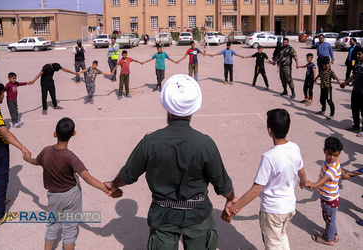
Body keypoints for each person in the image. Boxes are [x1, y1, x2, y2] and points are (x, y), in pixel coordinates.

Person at [105, 74, 237, 250]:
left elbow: (128, 175)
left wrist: (113, 184)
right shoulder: (205, 144)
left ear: (166, 107)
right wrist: (231, 198)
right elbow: (223, 185)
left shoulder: (150, 142)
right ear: (192, 109)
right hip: (198, 215)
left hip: (163, 217)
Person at [22, 117, 121, 250]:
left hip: (53, 196)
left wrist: (27, 158)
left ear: (54, 133)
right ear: (74, 133)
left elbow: (36, 161)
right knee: (69, 231)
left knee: (51, 226)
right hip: (71, 196)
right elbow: (87, 177)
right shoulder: (71, 157)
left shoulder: (46, 151)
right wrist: (108, 189)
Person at [222, 108, 307, 250]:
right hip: (289, 207)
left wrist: (232, 209)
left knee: (273, 244)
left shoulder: (269, 157)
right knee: (281, 236)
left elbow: (255, 190)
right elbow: (301, 171)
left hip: (273, 211)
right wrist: (304, 182)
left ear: (269, 130)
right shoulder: (294, 147)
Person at [0, 82, 30, 228]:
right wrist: (22, 147)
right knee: (0, 180)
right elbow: (5, 133)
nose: (4, 95)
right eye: (2, 94)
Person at [306, 137, 349, 246]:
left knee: (328, 219)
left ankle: (328, 239)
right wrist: (344, 176)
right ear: (324, 150)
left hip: (329, 199)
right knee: (331, 218)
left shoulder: (331, 169)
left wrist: (313, 185)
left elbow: (323, 180)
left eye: (335, 155)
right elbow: (340, 170)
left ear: (339, 154)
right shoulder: (334, 164)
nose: (332, 158)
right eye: (330, 154)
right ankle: (334, 234)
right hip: (331, 197)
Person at [341, 47, 363, 137]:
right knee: (354, 109)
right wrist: (345, 83)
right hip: (355, 91)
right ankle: (356, 126)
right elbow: (354, 74)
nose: (357, 56)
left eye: (360, 54)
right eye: (357, 54)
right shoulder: (358, 64)